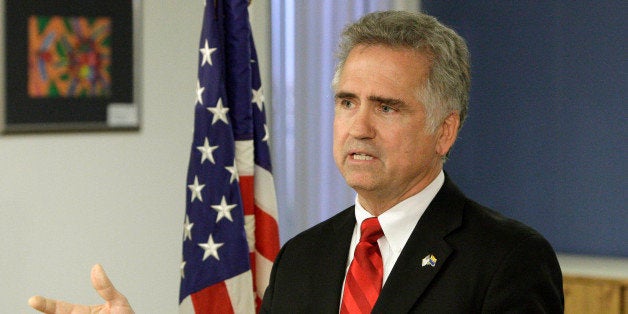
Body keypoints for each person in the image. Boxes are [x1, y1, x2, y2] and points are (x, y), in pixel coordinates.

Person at [29, 10, 564, 314]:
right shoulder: (302, 259)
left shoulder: (508, 261)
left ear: (444, 129)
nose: (359, 127)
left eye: (387, 106)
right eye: (347, 102)